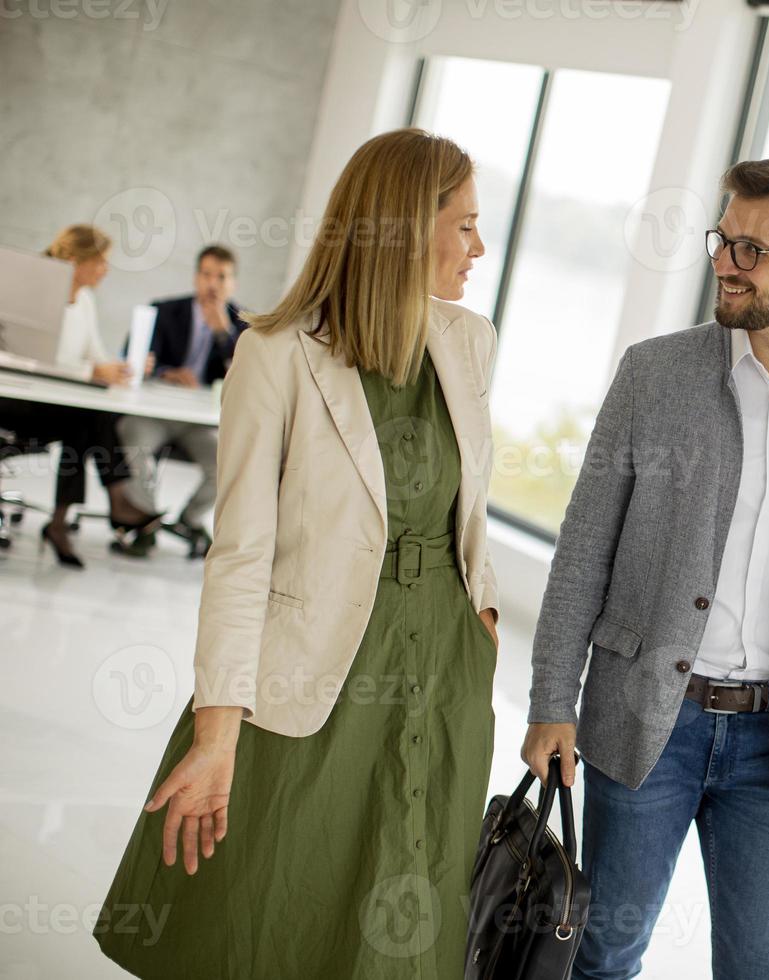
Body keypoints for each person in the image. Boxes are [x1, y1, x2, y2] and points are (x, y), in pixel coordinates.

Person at [93, 128, 503, 978]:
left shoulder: (471, 341)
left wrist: (484, 612)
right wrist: (215, 732)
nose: (479, 245)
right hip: (315, 667)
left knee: (403, 901)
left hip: (442, 669)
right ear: (398, 226)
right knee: (274, 905)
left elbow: (467, 506)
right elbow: (240, 553)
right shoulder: (276, 354)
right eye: (462, 224)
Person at [521, 158, 769, 979]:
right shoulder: (654, 375)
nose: (724, 263)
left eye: (752, 250)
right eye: (723, 240)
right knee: (601, 955)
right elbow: (584, 550)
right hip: (645, 721)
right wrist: (549, 703)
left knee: (759, 968)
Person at [0, 224, 163, 568]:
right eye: (101, 261)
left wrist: (124, 368)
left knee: (89, 419)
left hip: (51, 408)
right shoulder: (33, 294)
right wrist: (89, 373)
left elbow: (95, 356)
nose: (106, 269)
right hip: (14, 405)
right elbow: (25, 360)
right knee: (88, 419)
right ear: (75, 261)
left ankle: (64, 521)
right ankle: (106, 504)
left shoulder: (85, 301)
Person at [118, 244, 250, 556]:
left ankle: (189, 519)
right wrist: (163, 372)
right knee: (130, 436)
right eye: (206, 275)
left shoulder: (242, 325)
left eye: (221, 277)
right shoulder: (165, 311)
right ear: (196, 278)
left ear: (233, 284)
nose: (213, 284)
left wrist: (222, 333)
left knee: (228, 459)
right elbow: (132, 357)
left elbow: (246, 376)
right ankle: (146, 520)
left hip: (199, 421)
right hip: (157, 413)